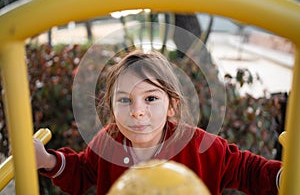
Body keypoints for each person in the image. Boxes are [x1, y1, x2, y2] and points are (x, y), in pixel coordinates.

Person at [34, 49, 282, 195]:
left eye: (150, 98)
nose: (137, 112)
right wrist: (45, 160)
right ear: (110, 107)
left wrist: (283, 177)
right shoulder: (109, 143)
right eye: (124, 100)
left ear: (172, 106)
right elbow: (81, 170)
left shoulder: (200, 146)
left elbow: (247, 170)